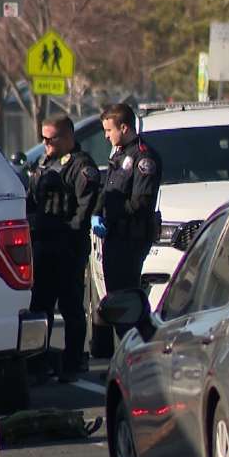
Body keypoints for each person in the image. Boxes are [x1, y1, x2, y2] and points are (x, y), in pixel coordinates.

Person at [27, 115, 101, 382]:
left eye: (51, 138)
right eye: (43, 138)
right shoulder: (44, 162)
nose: (45, 144)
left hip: (67, 247)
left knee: (70, 306)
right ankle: (39, 362)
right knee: (40, 306)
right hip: (42, 246)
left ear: (68, 137)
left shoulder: (82, 167)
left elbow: (84, 210)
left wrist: (64, 233)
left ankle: (72, 362)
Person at [92, 103, 162, 336]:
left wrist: (112, 213)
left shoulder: (143, 157)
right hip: (115, 236)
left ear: (124, 127)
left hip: (131, 238)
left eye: (109, 130)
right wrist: (97, 214)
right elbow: (108, 188)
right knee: (116, 298)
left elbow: (140, 202)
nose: (106, 135)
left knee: (126, 302)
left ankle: (138, 347)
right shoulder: (120, 153)